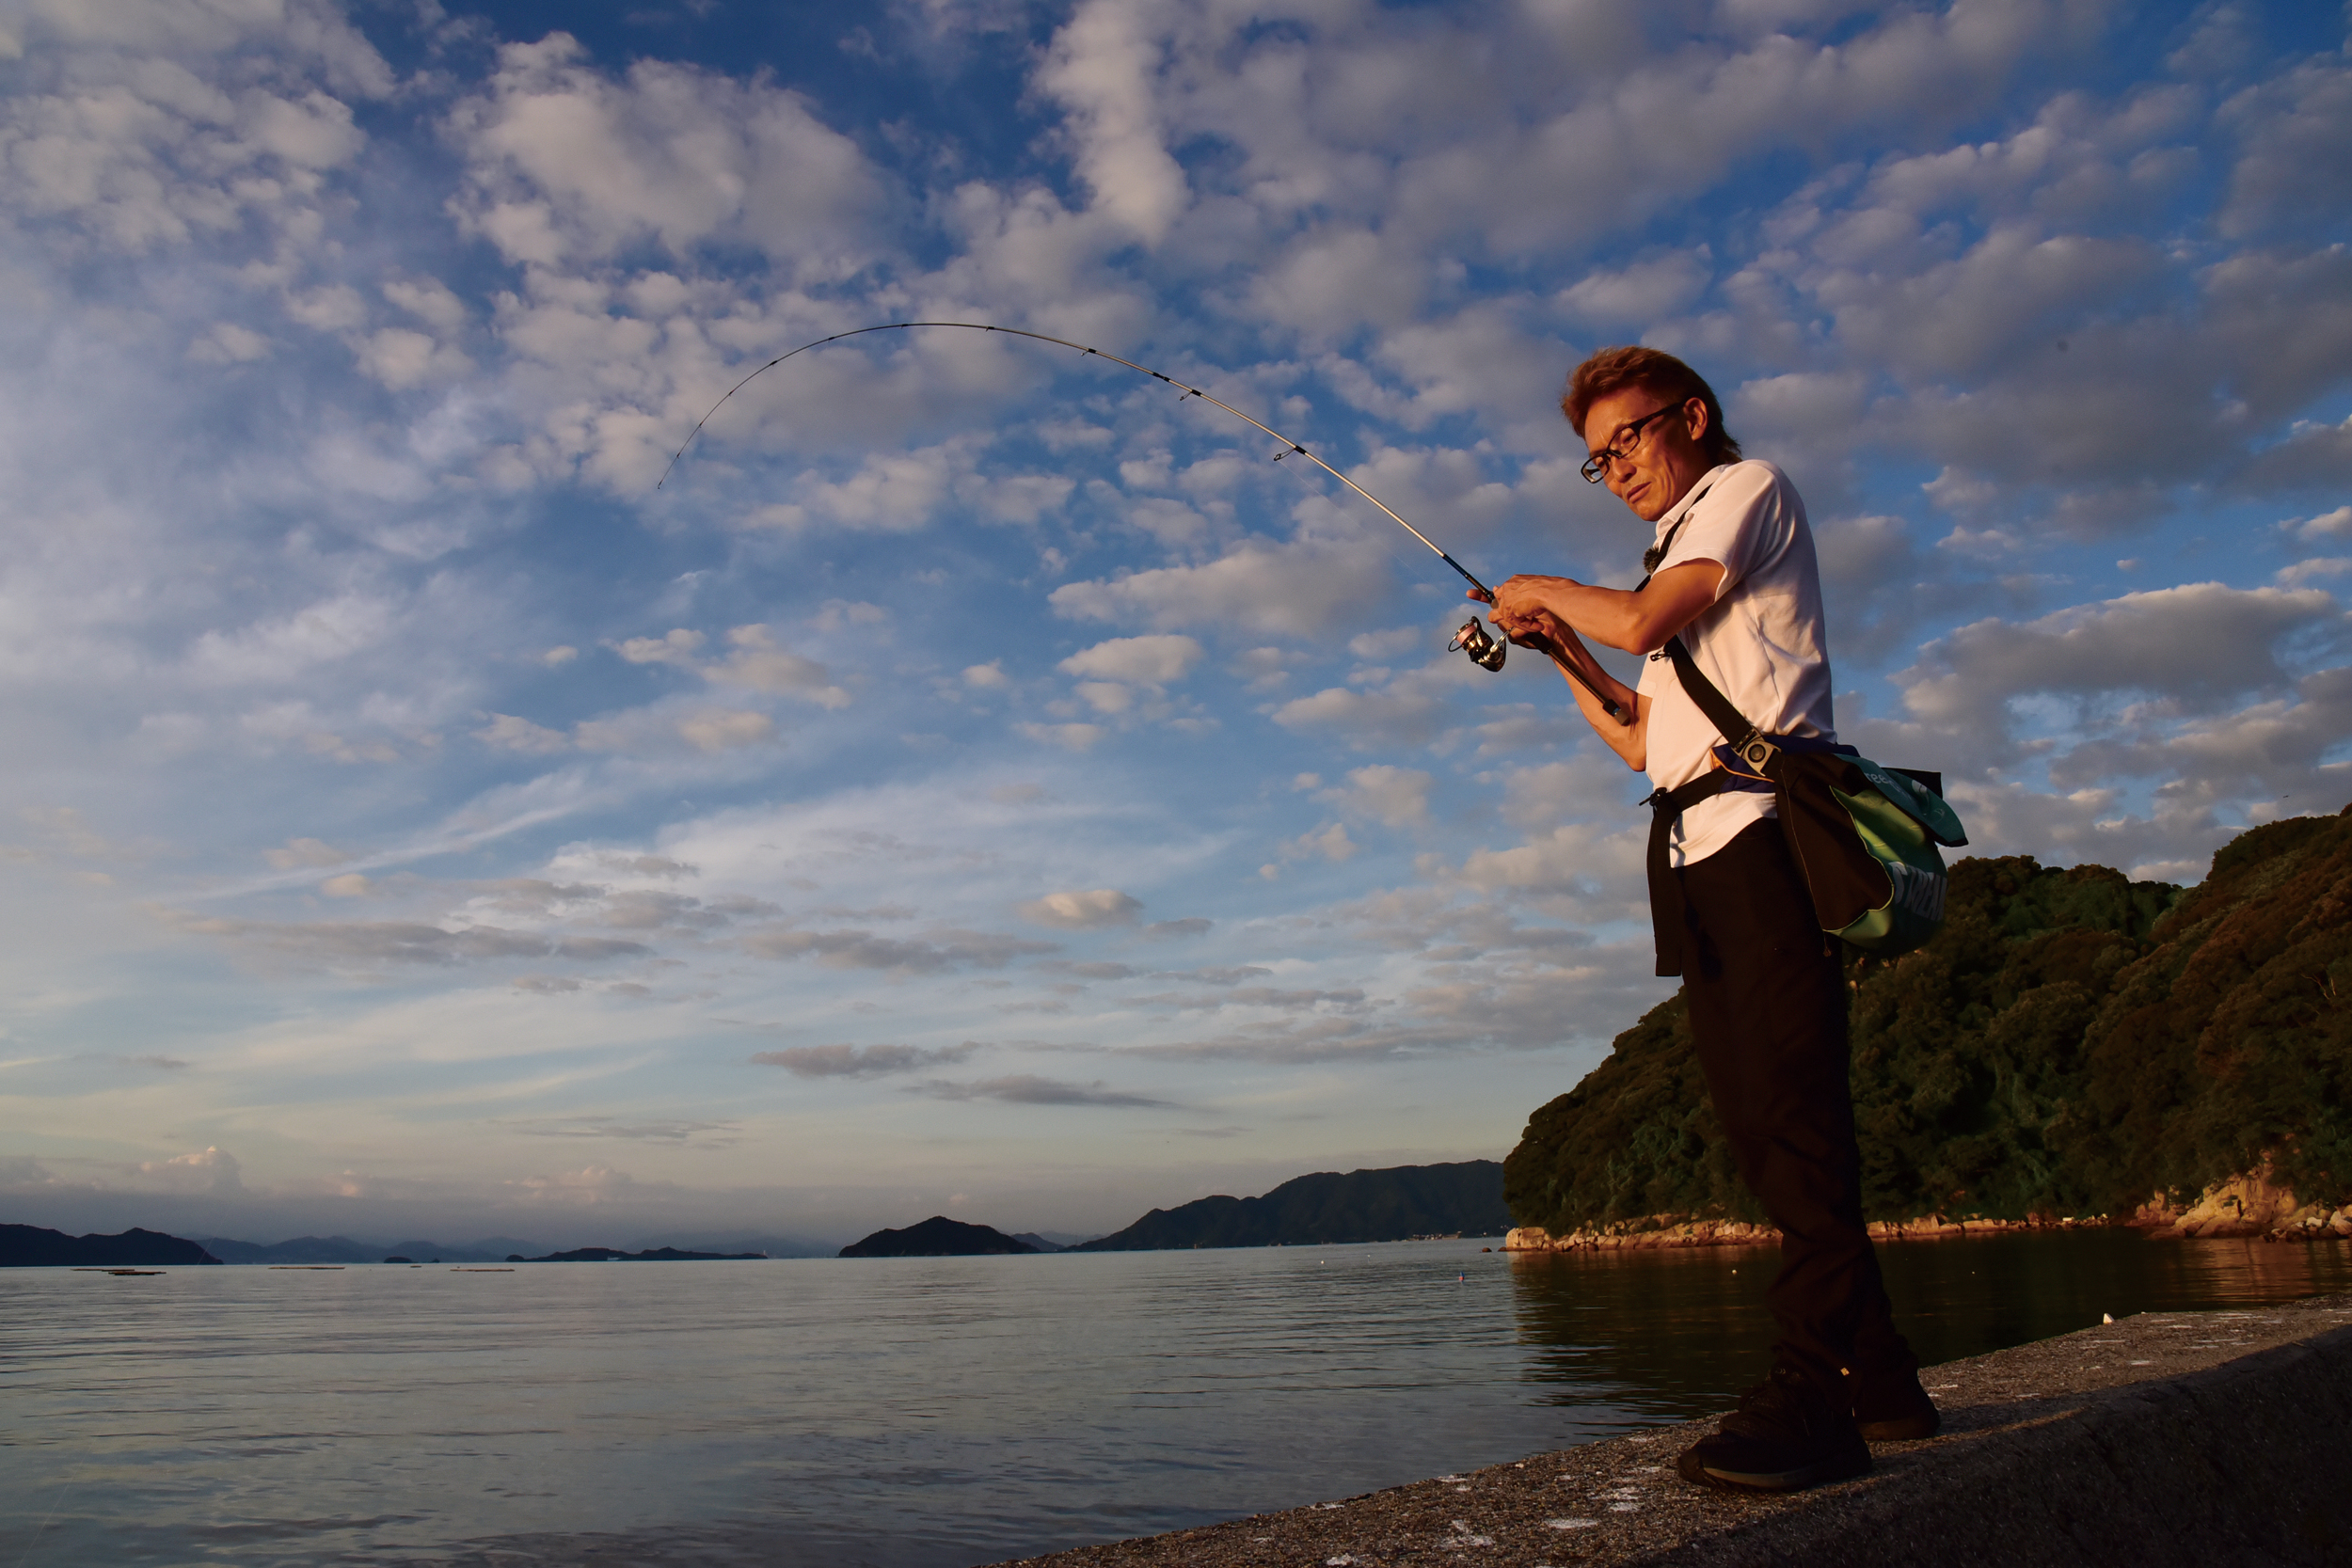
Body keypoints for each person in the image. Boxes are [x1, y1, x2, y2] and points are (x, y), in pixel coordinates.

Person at [1483, 345, 1938, 1494]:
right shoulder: (1667, 561)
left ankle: (1813, 1393)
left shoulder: (1743, 492)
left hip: (1766, 840)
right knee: (1757, 1124)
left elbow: (1645, 619)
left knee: (1793, 1111)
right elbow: (1644, 736)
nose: (1615, 466)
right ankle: (1880, 1378)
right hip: (1694, 846)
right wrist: (1561, 650)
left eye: (1626, 438)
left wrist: (1543, 589)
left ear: (1690, 416)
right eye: (1595, 459)